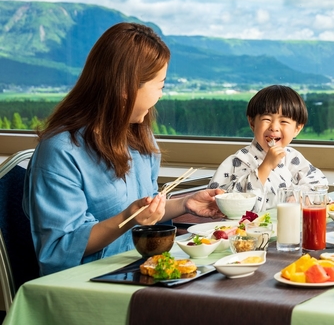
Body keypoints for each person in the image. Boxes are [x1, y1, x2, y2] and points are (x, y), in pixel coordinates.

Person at [23, 22, 225, 276]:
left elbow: (146, 210)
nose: (161, 95)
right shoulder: (61, 151)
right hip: (87, 281)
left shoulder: (139, 137)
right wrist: (126, 218)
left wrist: (186, 203)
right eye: (160, 85)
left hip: (137, 269)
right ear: (126, 88)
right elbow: (58, 248)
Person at [208, 85, 327, 210]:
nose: (274, 127)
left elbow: (317, 182)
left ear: (297, 129)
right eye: (267, 119)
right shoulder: (238, 161)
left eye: (284, 121)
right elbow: (228, 202)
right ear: (252, 123)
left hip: (287, 224)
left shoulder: (292, 157)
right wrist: (266, 166)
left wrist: (301, 195)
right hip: (245, 227)